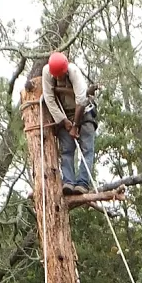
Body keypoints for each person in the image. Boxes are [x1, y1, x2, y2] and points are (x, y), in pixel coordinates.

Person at [41, 51, 96, 196]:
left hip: (83, 113)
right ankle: (69, 182)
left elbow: (81, 101)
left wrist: (75, 125)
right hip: (63, 114)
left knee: (87, 150)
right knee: (66, 150)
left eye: (61, 75)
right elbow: (49, 99)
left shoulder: (74, 72)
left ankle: (82, 183)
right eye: (56, 76)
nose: (58, 78)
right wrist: (63, 121)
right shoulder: (47, 72)